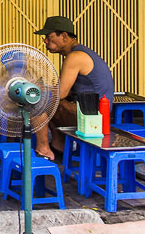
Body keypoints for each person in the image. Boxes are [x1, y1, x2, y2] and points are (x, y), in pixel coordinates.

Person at [34, 16, 114, 161]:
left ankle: (43, 150)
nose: (45, 41)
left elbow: (61, 93)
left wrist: (38, 92)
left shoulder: (75, 57)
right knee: (48, 99)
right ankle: (59, 146)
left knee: (37, 102)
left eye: (49, 36)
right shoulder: (79, 53)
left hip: (94, 119)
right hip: (96, 114)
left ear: (64, 36)